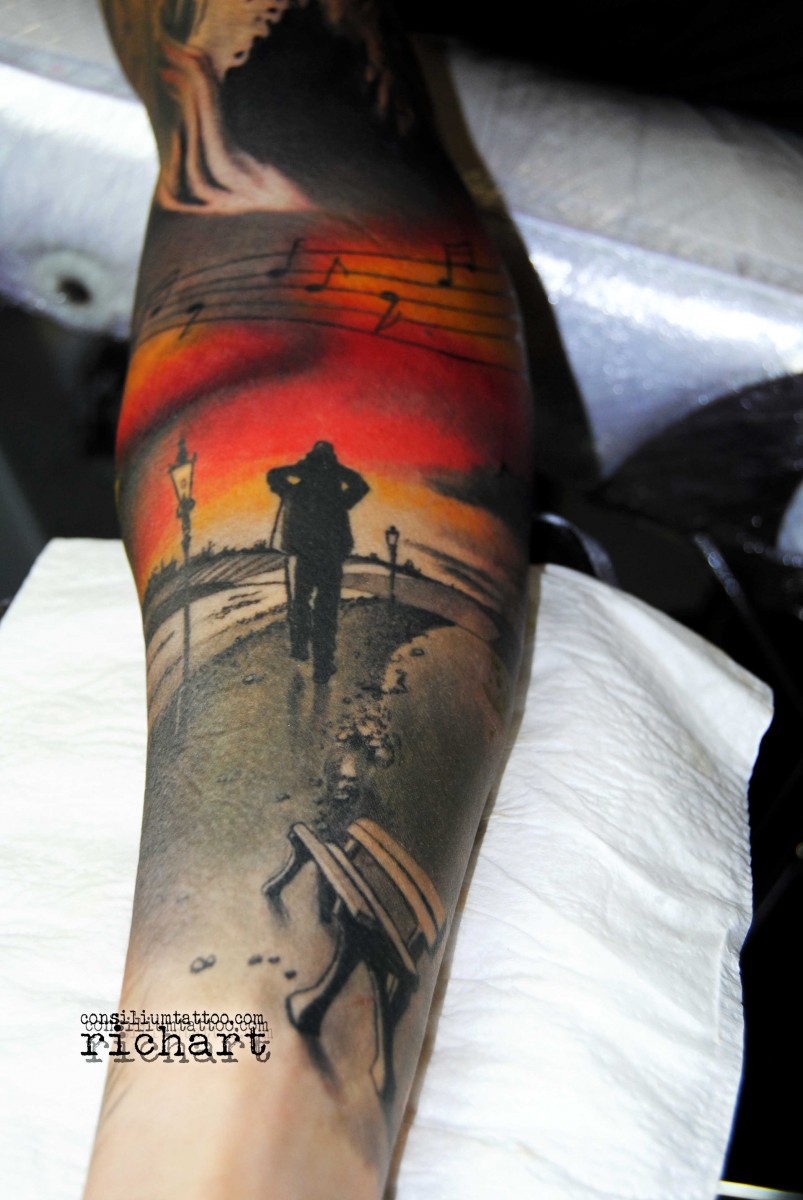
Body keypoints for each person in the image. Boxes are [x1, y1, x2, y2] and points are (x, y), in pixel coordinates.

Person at [85, 1, 533, 1196]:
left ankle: (256, 1070)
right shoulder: (316, 480)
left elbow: (301, 159)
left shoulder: (326, 480)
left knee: (329, 627)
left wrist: (238, 1104)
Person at [268, 441, 368, 682]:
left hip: (304, 557)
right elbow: (360, 485)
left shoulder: (296, 491)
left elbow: (274, 475)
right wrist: (334, 470)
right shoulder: (336, 495)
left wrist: (301, 469)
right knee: (325, 610)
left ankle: (299, 648)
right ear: (331, 462)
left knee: (300, 602)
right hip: (330, 558)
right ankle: (322, 666)